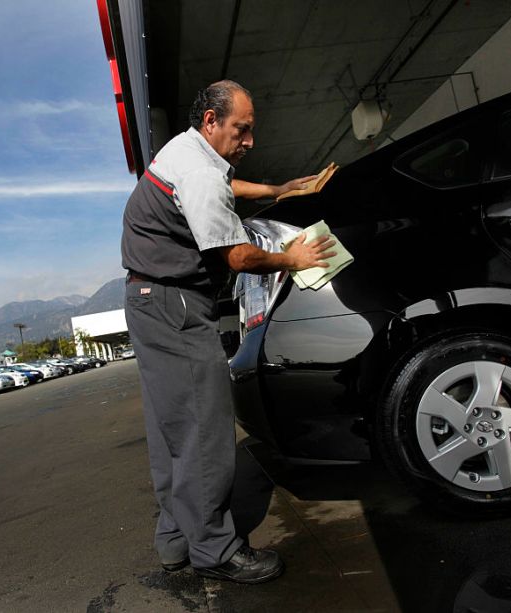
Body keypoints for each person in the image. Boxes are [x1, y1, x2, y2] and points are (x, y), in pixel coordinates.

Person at [121, 79, 335, 584]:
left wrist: (278, 189)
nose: (250, 141)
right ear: (212, 121)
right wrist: (292, 256)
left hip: (148, 298)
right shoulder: (198, 172)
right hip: (175, 305)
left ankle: (176, 540)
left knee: (172, 428)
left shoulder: (188, 149)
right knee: (203, 429)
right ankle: (215, 551)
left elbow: (227, 185)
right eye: (242, 129)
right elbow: (238, 256)